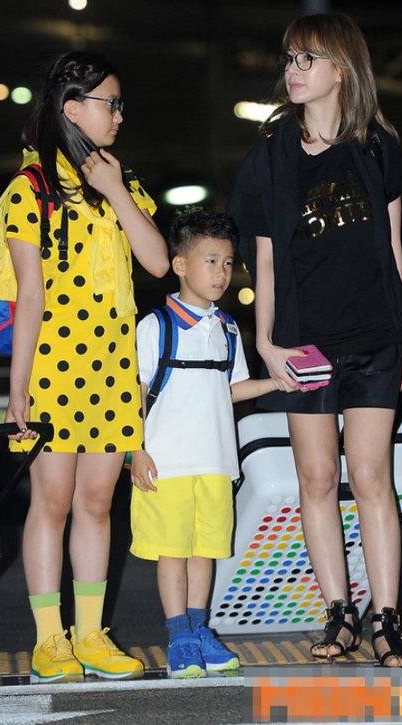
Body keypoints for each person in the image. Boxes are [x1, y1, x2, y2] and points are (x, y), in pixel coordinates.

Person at [227, 13, 402, 667]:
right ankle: (339, 613)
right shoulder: (272, 152)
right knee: (316, 477)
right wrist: (266, 343)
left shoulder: (377, 146)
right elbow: (264, 259)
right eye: (289, 59)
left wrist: (401, 341)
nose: (293, 70)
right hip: (304, 344)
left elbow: (393, 247)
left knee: (371, 477)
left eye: (307, 58)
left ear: (342, 68)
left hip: (374, 338)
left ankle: (387, 619)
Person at [0, 51, 169, 683]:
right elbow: (30, 296)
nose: (119, 115)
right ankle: (51, 639)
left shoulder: (121, 184)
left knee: (97, 504)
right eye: (110, 104)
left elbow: (158, 262)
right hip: (52, 366)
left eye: (120, 104)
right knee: (52, 502)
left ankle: (92, 634)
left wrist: (116, 191)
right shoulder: (30, 189)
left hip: (112, 368)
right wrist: (18, 389)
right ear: (73, 109)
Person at [130, 210, 275, 678]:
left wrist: (278, 383)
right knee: (172, 551)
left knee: (205, 551)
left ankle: (199, 629)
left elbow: (231, 389)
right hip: (167, 463)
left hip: (215, 462)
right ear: (180, 265)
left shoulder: (227, 328)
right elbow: (135, 393)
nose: (221, 273)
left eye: (228, 263)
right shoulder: (156, 326)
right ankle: (179, 636)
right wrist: (135, 449)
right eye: (210, 261)